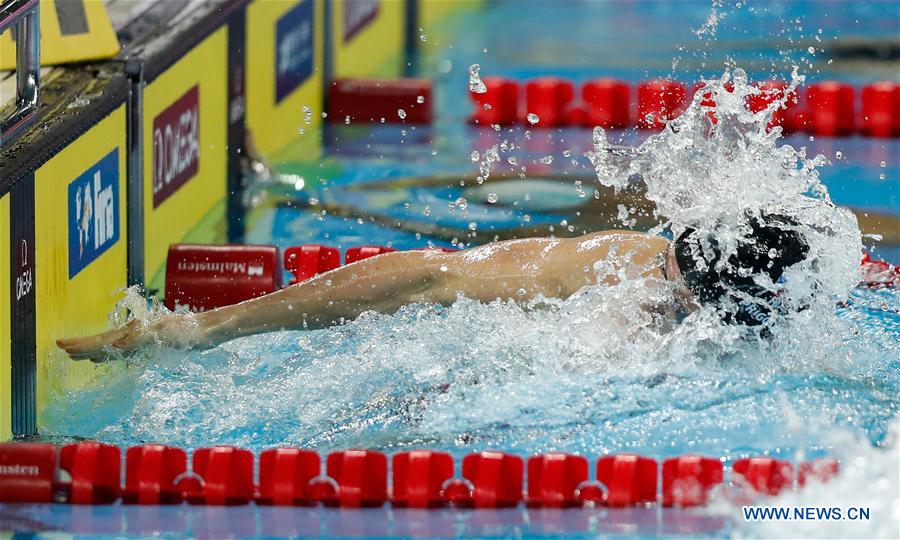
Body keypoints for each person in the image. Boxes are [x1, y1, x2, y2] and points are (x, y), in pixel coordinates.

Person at [57, 214, 808, 361]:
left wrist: (200, 330)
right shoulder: (624, 268)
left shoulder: (626, 272)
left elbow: (428, 275)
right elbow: (428, 278)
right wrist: (201, 330)